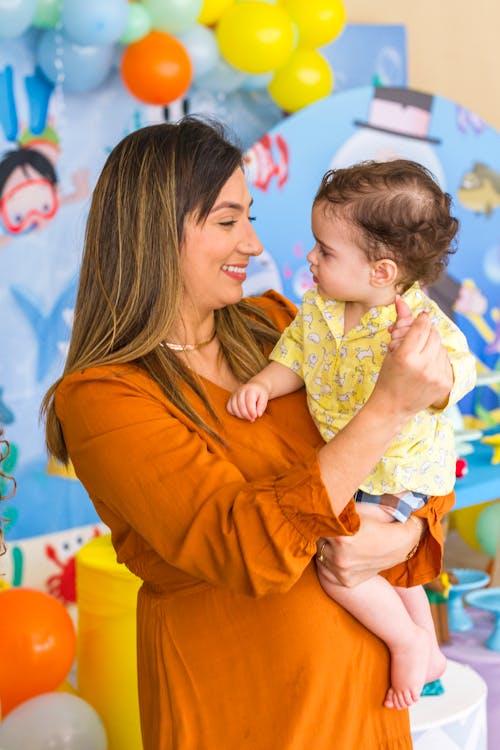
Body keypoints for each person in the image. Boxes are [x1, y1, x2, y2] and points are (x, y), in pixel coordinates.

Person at [42, 119, 456, 750]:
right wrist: (386, 409)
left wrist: (402, 534)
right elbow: (244, 548)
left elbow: (418, 466)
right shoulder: (104, 397)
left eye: (250, 218)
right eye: (228, 221)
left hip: (367, 718)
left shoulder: (280, 328)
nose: (255, 245)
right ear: (155, 232)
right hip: (246, 717)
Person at [228, 159, 476, 711]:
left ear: (382, 272)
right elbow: (293, 358)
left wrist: (421, 378)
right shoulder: (317, 310)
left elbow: (456, 375)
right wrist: (263, 387)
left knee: (339, 557)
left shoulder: (415, 324)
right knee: (381, 562)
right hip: (355, 468)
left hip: (402, 473)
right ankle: (428, 647)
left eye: (325, 250)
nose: (311, 258)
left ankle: (407, 639)